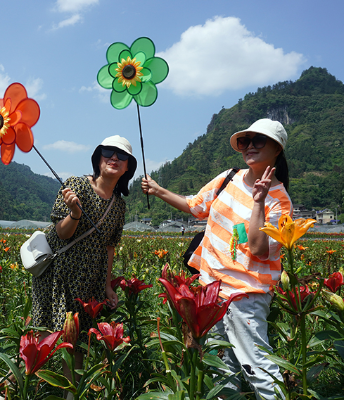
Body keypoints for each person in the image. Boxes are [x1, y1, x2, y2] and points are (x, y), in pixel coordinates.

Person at [142, 118, 291, 399]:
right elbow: (195, 206)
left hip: (244, 296)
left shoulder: (279, 200)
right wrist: (158, 189)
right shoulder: (229, 177)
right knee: (221, 370)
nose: (249, 146)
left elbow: (260, 248)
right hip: (212, 289)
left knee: (258, 368)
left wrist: (258, 201)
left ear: (277, 149)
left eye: (258, 141)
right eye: (245, 141)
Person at [31, 135, 137, 392]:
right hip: (59, 278)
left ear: (127, 168)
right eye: (108, 152)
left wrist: (107, 287)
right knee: (44, 339)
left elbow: (110, 246)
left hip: (88, 283)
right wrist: (75, 214)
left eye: (121, 156)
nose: (114, 158)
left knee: (78, 343)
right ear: (98, 158)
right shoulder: (75, 185)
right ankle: (16, 386)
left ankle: (71, 395)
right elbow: (61, 233)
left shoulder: (119, 205)